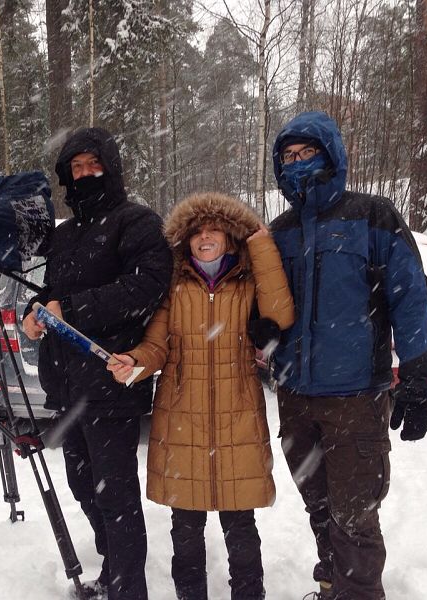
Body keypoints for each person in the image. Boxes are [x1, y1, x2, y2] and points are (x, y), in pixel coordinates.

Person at [268, 111, 427, 600]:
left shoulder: (372, 216)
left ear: (331, 155)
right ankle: (331, 586)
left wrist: (418, 380)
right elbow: (262, 302)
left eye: (308, 153)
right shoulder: (279, 231)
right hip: (295, 399)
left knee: (354, 514)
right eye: (289, 157)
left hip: (355, 399)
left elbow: (410, 298)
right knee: (319, 507)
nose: (298, 163)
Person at [107, 192, 295, 600]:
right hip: (181, 420)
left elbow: (280, 315)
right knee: (185, 529)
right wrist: (134, 363)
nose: (205, 237)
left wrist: (260, 243)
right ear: (186, 240)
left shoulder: (247, 283)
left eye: (214, 230)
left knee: (240, 526)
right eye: (197, 232)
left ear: (229, 237)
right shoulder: (175, 286)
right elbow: (156, 346)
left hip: (237, 419)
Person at [21, 127, 173, 600]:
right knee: (83, 486)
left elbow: (146, 287)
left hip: (111, 384)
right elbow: (53, 291)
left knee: (116, 498)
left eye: (93, 164)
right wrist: (36, 312)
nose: (85, 173)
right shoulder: (64, 234)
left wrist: (72, 310)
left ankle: (129, 590)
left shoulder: (137, 222)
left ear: (110, 167)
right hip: (66, 385)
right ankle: (111, 573)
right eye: (77, 167)